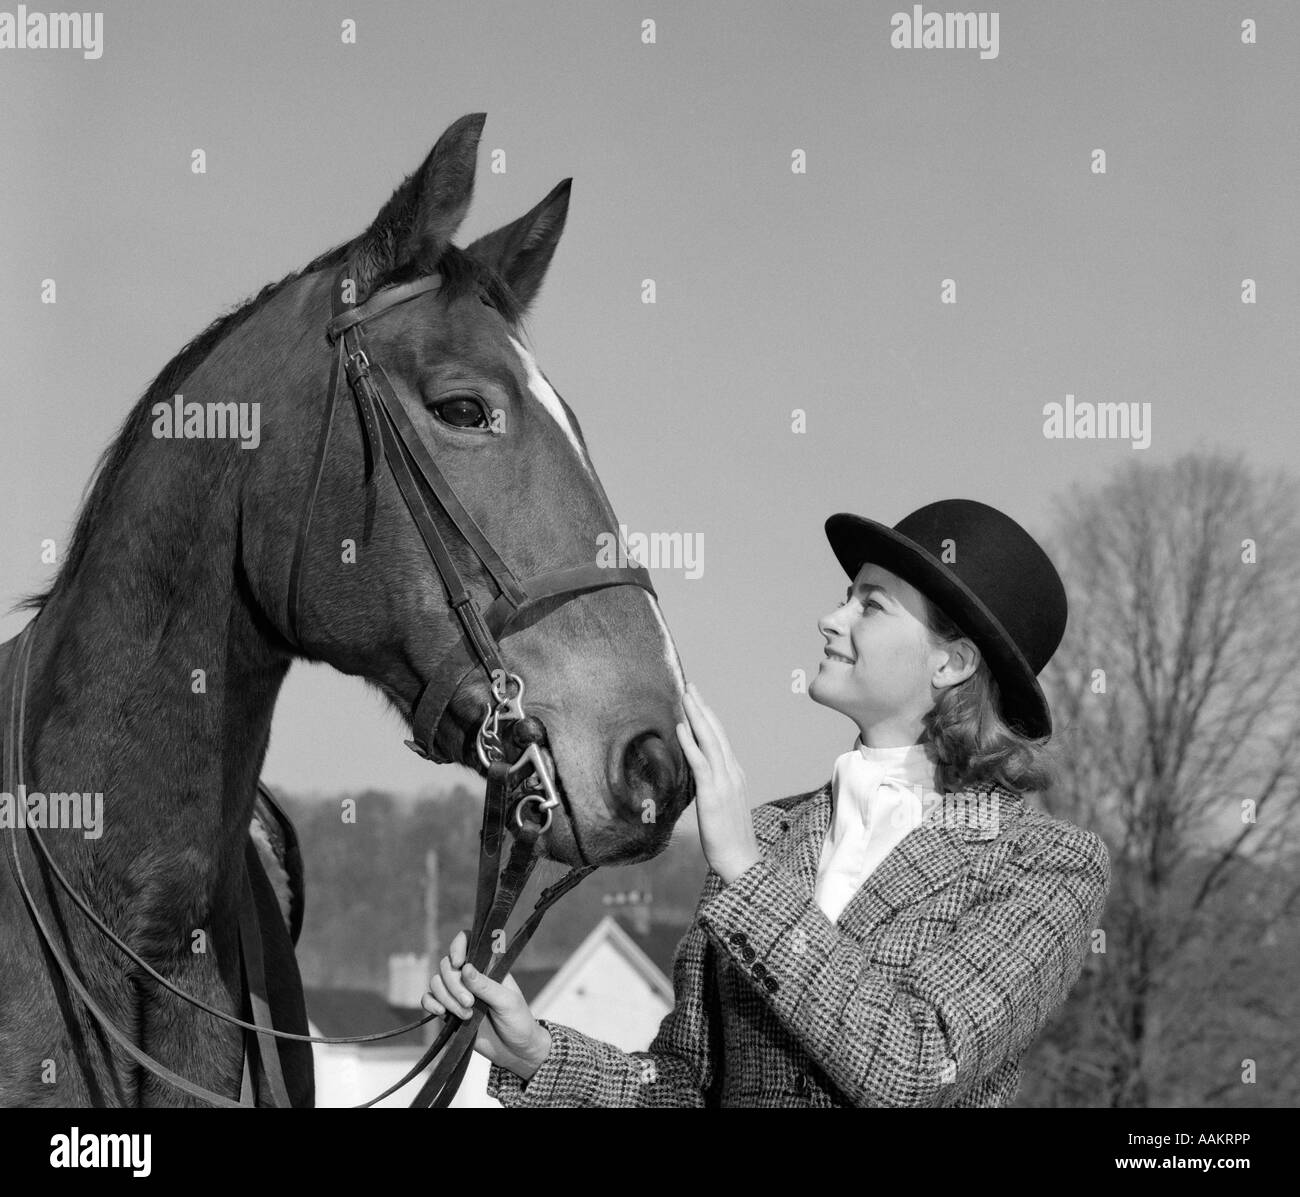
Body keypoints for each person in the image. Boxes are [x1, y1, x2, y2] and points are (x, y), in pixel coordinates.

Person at [422, 498, 1111, 1107]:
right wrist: (534, 1053)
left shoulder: (1045, 864)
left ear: (952, 663)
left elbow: (914, 1066)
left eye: (869, 604)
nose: (830, 618)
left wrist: (750, 877)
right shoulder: (771, 834)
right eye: (847, 595)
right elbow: (683, 1085)